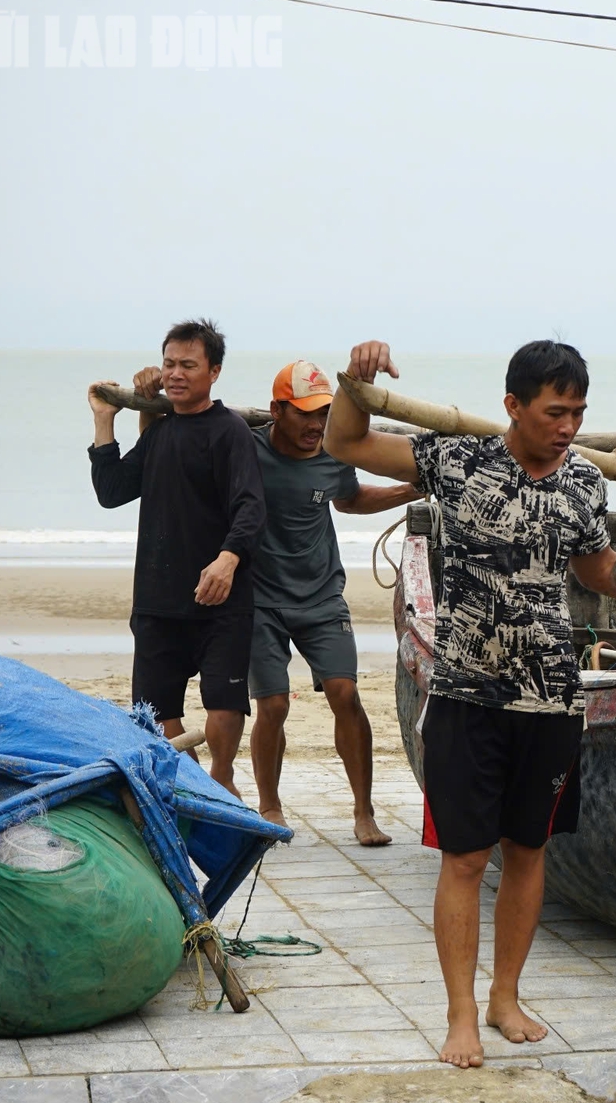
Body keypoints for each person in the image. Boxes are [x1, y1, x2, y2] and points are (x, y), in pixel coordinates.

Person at [325, 337, 616, 1070]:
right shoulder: (454, 460)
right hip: (464, 692)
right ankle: (460, 1014)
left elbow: (601, 568)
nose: (569, 425)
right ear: (513, 405)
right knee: (464, 856)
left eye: (579, 412)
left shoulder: (583, 483)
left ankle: (505, 998)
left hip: (549, 697)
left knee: (529, 850)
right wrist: (355, 385)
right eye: (555, 411)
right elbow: (346, 442)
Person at [229, 359, 419, 844]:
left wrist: (409, 489)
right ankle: (269, 806)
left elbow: (349, 499)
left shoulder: (335, 451)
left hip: (320, 596)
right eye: (306, 414)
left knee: (345, 694)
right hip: (261, 600)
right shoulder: (244, 450)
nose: (316, 425)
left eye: (325, 413)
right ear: (277, 412)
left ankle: (363, 812)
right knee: (271, 705)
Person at [89, 319, 263, 797]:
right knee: (157, 710)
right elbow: (112, 490)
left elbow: (251, 507)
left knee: (225, 704)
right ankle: (196, 791)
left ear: (214, 371)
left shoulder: (230, 432)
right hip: (157, 600)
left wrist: (227, 560)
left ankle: (222, 778)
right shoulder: (161, 432)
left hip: (220, 599)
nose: (176, 374)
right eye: (169, 364)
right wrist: (105, 419)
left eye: (189, 364)